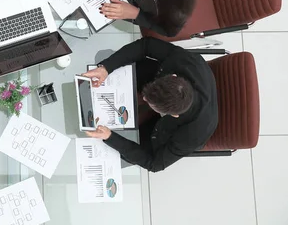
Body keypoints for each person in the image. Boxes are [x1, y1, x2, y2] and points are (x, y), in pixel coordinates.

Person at [81, 37, 218, 172]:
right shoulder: (189, 62)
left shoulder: (194, 135)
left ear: (173, 115)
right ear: (173, 76)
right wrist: (106, 67)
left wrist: (110, 137)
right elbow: (146, 45)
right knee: (104, 59)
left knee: (116, 154)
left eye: (148, 101)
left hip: (160, 130)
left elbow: (154, 164)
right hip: (151, 76)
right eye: (146, 95)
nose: (144, 98)